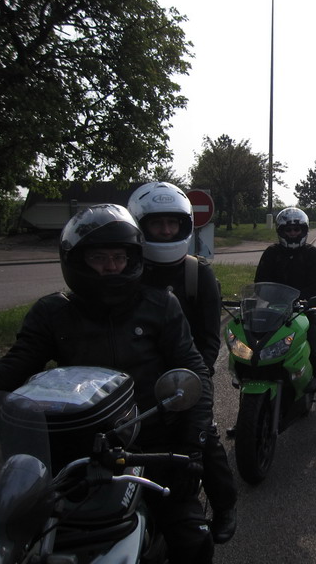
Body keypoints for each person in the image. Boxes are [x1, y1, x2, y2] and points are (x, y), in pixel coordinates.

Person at [0, 204, 215, 563]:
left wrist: (192, 446)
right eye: (99, 257)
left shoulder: (161, 306)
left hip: (150, 442)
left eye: (119, 257)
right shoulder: (53, 312)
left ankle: (221, 510)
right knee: (6, 532)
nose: (111, 267)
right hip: (69, 448)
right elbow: (10, 369)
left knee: (192, 539)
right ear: (76, 260)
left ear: (133, 259)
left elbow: (193, 371)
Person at [128, 181, 238, 544]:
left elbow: (209, 335)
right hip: (140, 376)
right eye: (157, 223)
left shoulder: (197, 273)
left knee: (204, 438)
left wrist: (195, 378)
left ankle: (225, 506)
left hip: (187, 376)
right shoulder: (131, 270)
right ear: (141, 226)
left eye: (172, 223)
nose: (165, 230)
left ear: (184, 226)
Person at [254, 207, 316, 443]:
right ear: (281, 231)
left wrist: (300, 300)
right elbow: (259, 283)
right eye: (289, 230)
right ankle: (247, 416)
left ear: (303, 231)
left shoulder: (312, 254)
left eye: (297, 229)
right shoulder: (271, 254)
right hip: (274, 313)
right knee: (254, 358)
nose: (293, 233)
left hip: (306, 311)